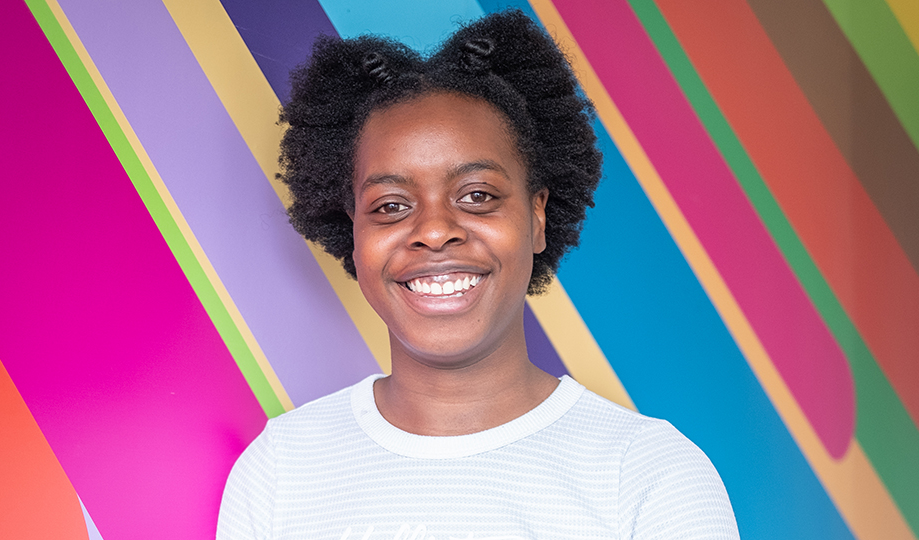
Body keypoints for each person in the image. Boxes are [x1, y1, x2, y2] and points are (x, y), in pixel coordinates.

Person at [218, 10, 738, 539]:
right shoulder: (282, 469)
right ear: (352, 229)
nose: (435, 230)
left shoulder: (649, 474)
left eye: (477, 196)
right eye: (391, 205)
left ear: (537, 218)